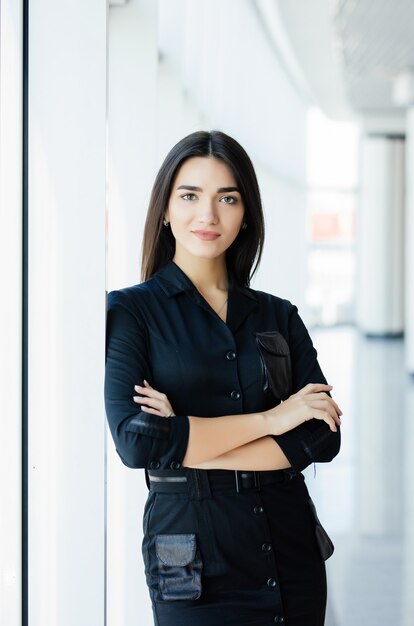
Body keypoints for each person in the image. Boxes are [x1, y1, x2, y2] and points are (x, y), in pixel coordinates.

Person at [104, 129, 342, 626]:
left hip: (288, 549)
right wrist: (275, 418)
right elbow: (137, 443)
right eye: (190, 196)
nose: (207, 215)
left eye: (226, 198)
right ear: (166, 209)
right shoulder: (131, 313)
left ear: (246, 212)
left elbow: (320, 437)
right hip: (186, 559)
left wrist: (185, 437)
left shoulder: (279, 316)